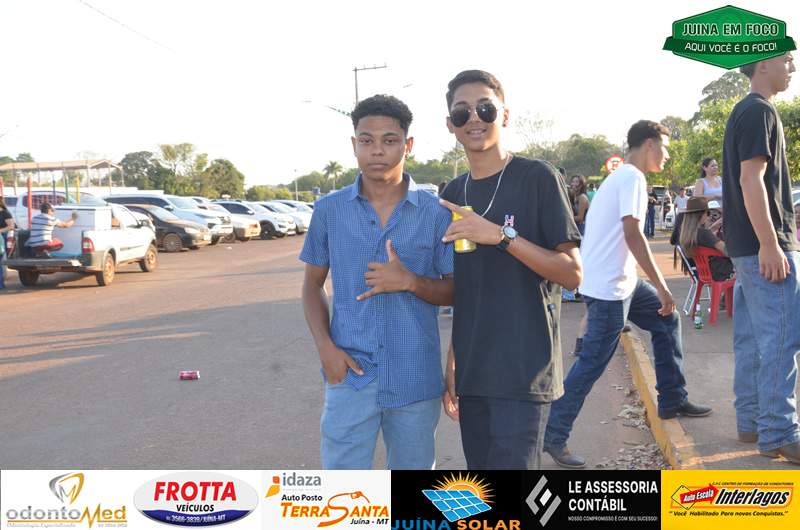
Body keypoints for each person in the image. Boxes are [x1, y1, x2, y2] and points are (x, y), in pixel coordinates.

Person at [543, 120, 712, 469]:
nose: (667, 155)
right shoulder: (632, 177)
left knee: (667, 320)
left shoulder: (621, 177)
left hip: (620, 283)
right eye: (665, 148)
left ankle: (672, 398)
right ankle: (553, 435)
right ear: (649, 144)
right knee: (591, 364)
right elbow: (634, 235)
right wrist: (663, 287)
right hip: (608, 290)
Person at [300, 94, 454, 470]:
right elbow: (312, 286)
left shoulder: (436, 214)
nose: (377, 151)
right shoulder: (329, 210)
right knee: (343, 491)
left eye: (390, 140)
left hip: (415, 379)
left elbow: (457, 291)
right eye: (367, 140)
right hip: (350, 375)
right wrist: (325, 348)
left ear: (408, 145)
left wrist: (412, 282)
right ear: (354, 144)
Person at [438, 70, 582, 469]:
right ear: (450, 124)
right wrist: (453, 361)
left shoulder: (538, 178)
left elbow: (572, 273)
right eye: (462, 112)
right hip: (473, 373)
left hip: (523, 373)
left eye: (485, 108)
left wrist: (501, 237)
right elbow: (467, 288)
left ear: (504, 114)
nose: (474, 118)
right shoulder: (453, 194)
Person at [722, 51, 799, 464]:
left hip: (747, 249)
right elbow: (750, 178)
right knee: (780, 341)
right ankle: (779, 432)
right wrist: (770, 243)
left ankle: (752, 423)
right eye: (787, 59)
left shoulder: (746, 110)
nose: (793, 68)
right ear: (764, 62)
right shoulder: (759, 111)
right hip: (764, 248)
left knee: (753, 341)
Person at [678, 196, 734, 281]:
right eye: (708, 213)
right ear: (701, 214)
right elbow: (728, 251)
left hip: (705, 273)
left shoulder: (688, 234)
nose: (708, 216)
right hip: (722, 273)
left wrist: (712, 228)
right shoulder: (704, 234)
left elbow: (704, 237)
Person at [0, 198, 14, 289]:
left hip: (2, 238)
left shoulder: (5, 213)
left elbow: (11, 226)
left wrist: (0, 231)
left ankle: (1, 284)